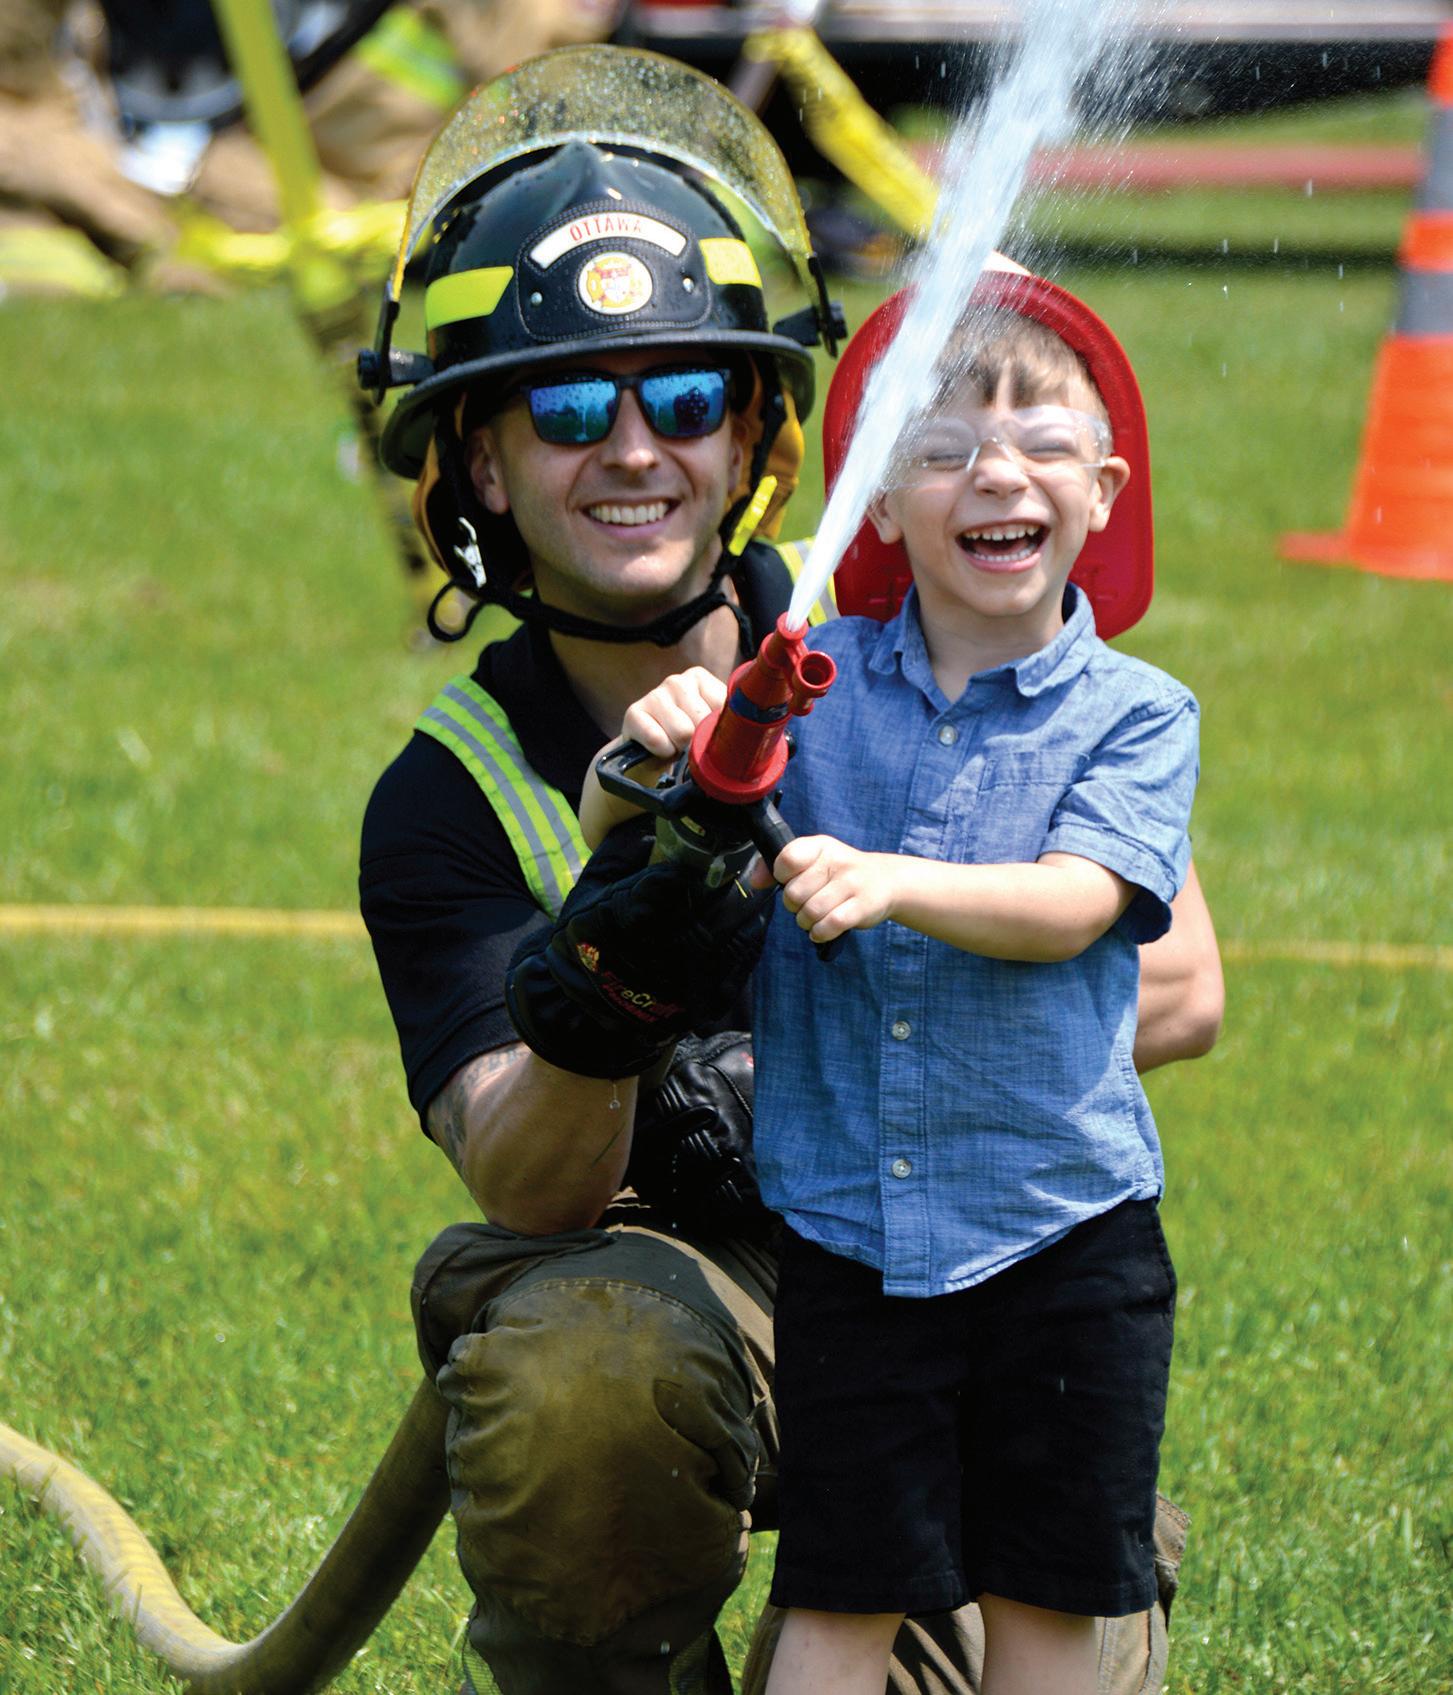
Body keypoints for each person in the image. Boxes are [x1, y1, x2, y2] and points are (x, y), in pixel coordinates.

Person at [357, 46, 1221, 1695]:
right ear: (477, 463)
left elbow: (1178, 984)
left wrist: (818, 1034)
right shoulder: (446, 799)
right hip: (682, 1281)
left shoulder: (897, 623)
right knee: (576, 1367)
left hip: (968, 1264)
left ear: (756, 425)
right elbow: (527, 1185)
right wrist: (613, 991)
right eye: (566, 408)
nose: (633, 450)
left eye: (686, 398)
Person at [580, 274, 1198, 1695]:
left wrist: (891, 881)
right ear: (879, 508)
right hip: (851, 1246)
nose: (997, 473)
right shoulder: (813, 684)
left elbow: (1079, 904)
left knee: (1049, 1601)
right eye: (943, 449)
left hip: (1065, 1243)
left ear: (1102, 493)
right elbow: (637, 813)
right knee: (841, 1592)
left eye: (1043, 445)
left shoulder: (1138, 716)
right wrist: (650, 745)